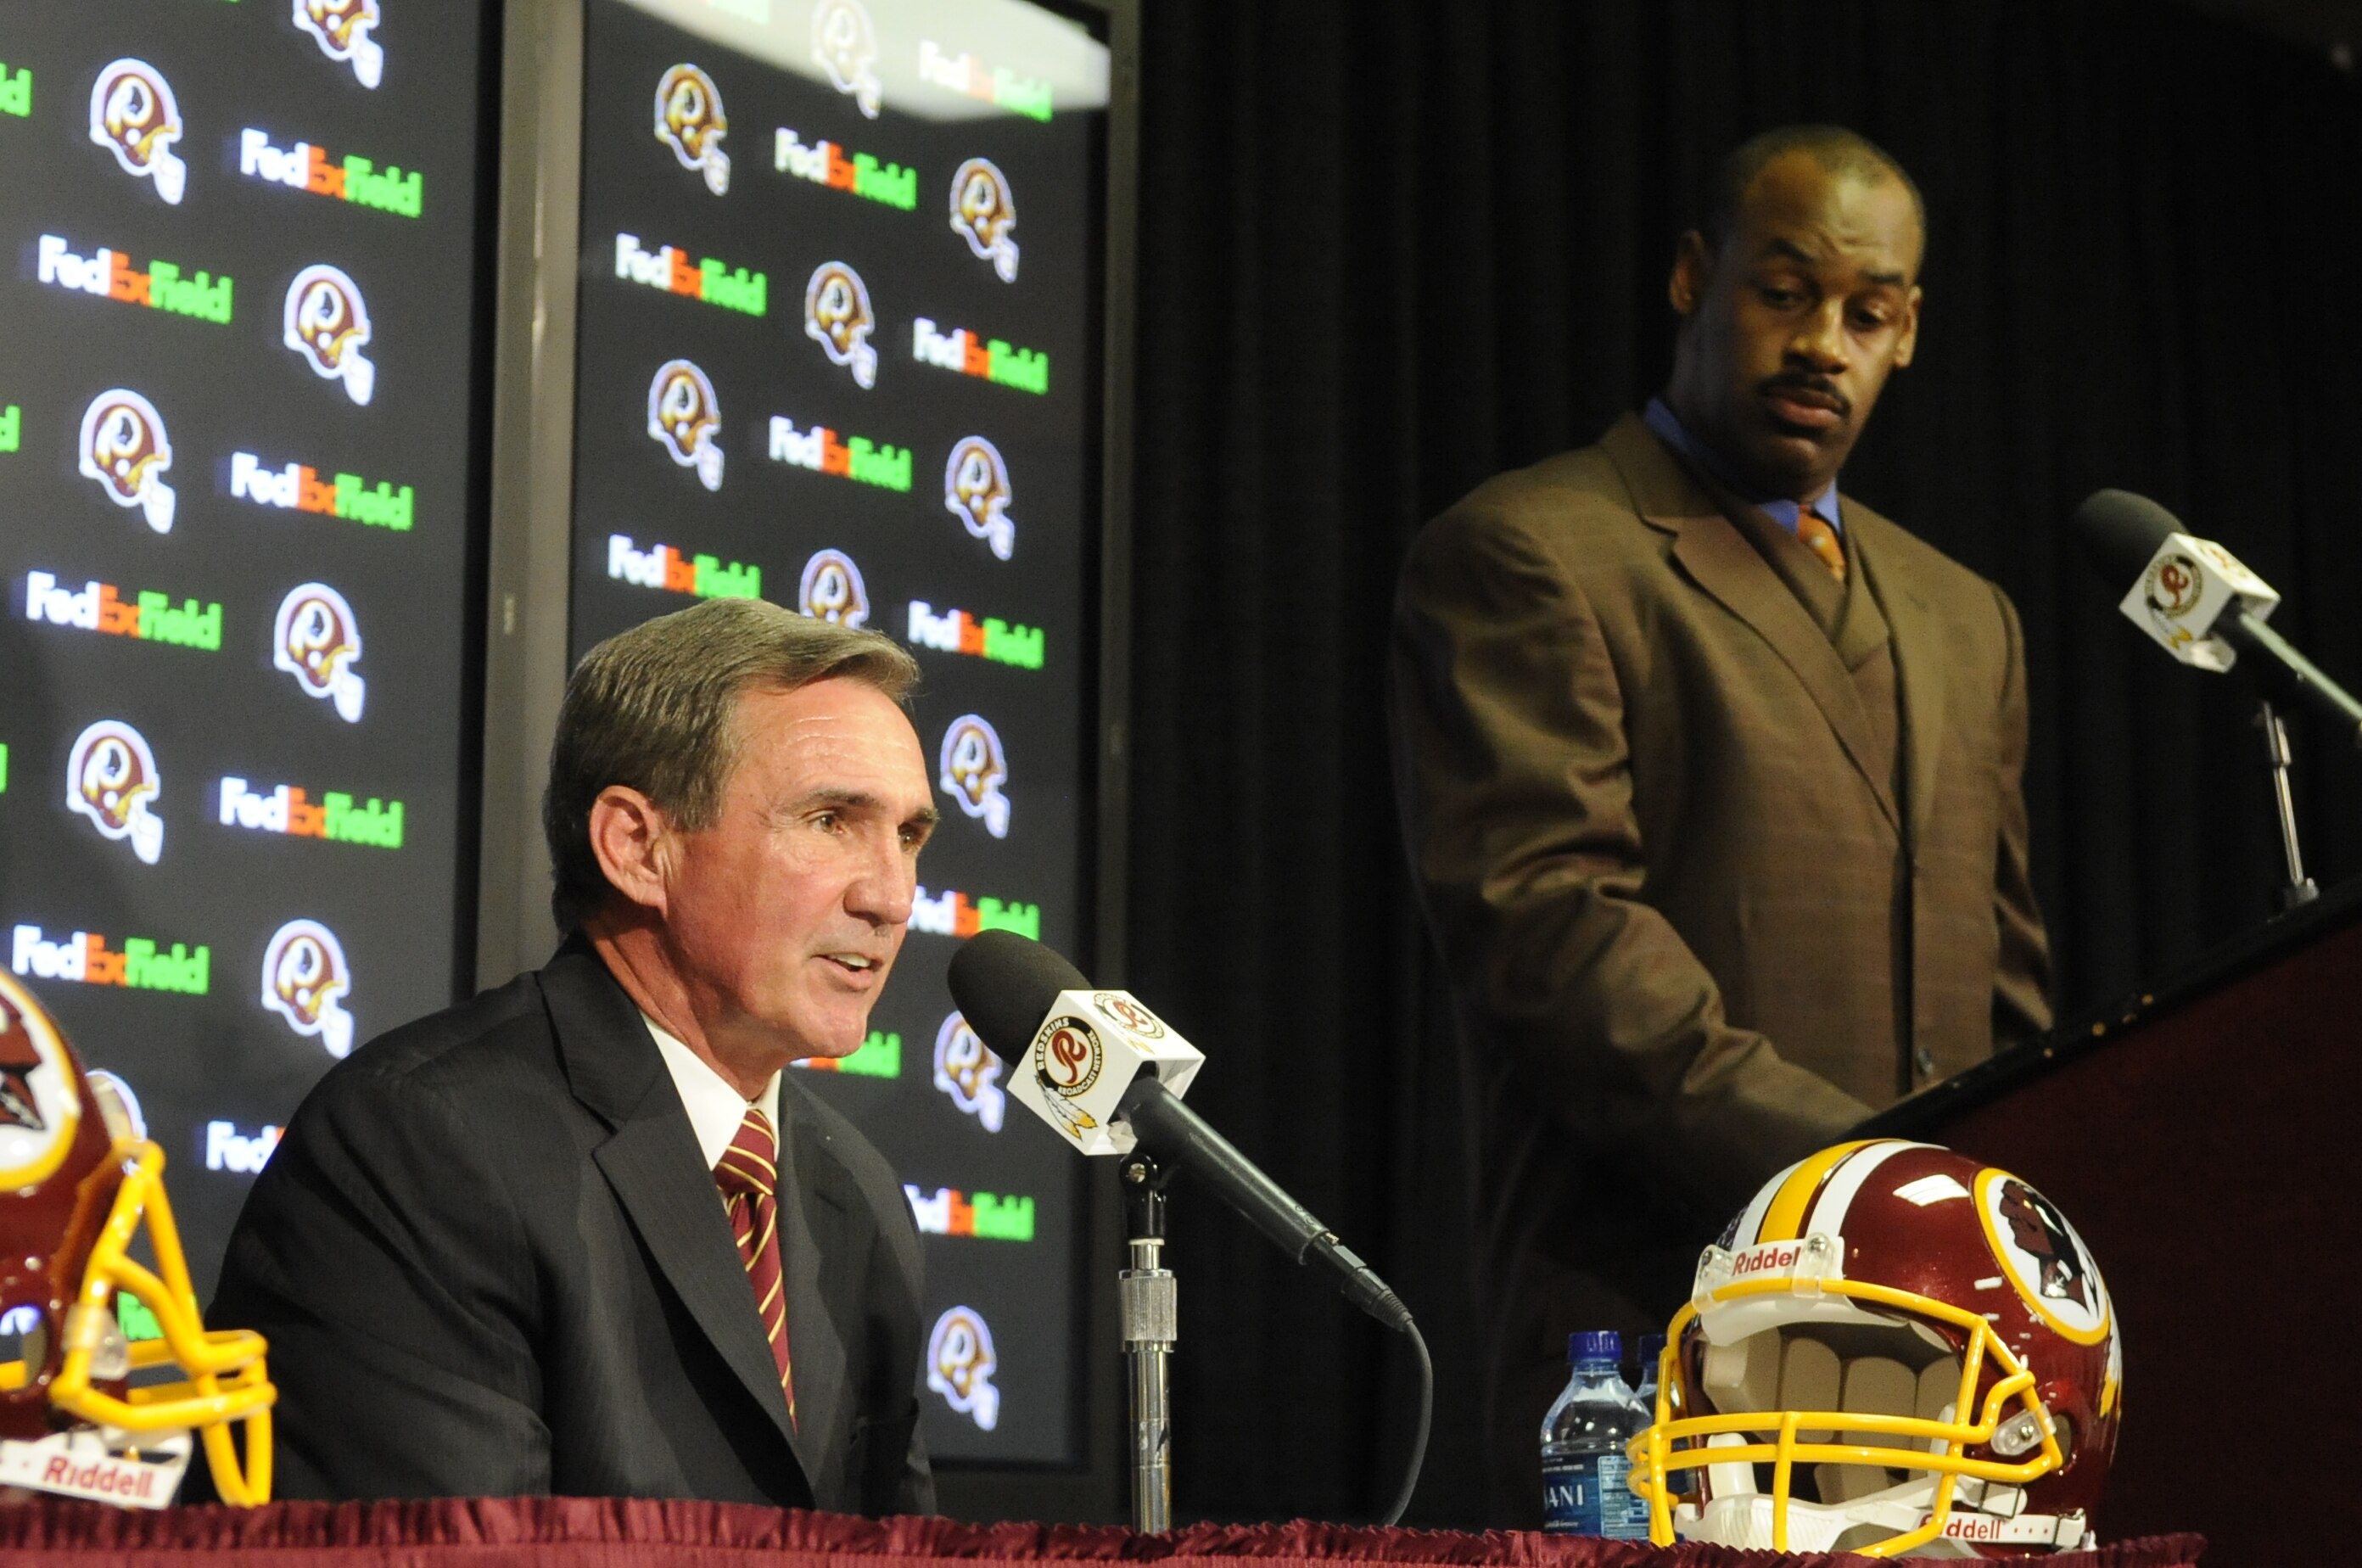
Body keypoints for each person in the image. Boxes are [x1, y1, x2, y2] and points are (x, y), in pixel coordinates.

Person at [1386, 126, 2051, 1523]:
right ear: (1692, 278)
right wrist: (1868, 1187)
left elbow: (2000, 986)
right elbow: (1557, 947)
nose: (1822, 342)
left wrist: (2000, 1239)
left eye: (1865, 313)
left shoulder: (1960, 613)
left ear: (1908, 331)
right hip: (1659, 1339)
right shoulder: (1530, 550)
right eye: (1782, 292)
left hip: (1934, 1361)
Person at [209, 596, 942, 1510]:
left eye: (910, 835)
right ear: (638, 847)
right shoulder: (424, 1144)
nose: (892, 895)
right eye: (832, 820)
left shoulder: (857, 1194)